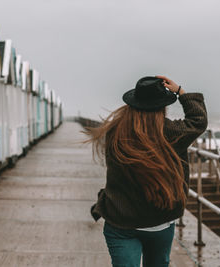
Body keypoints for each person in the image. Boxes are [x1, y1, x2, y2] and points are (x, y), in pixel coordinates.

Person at [85, 75, 208, 267]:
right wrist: (180, 92)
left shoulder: (116, 131)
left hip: (120, 221)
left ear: (132, 104)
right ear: (162, 107)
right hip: (158, 222)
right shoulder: (171, 133)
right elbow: (198, 120)